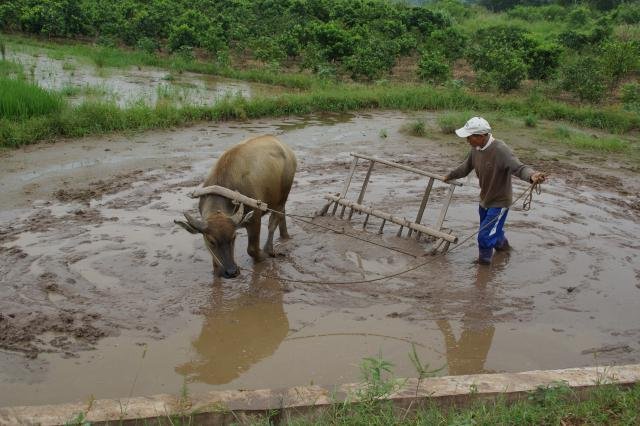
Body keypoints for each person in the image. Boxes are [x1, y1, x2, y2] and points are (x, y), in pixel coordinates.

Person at [444, 117, 546, 265]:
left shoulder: (500, 149)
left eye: (469, 137)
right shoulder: (476, 149)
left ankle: (483, 267)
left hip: (499, 202)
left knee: (484, 236)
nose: (467, 140)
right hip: (484, 199)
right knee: (492, 231)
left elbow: (518, 167)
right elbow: (465, 167)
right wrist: (450, 175)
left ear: (481, 136)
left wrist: (532, 175)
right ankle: (504, 249)